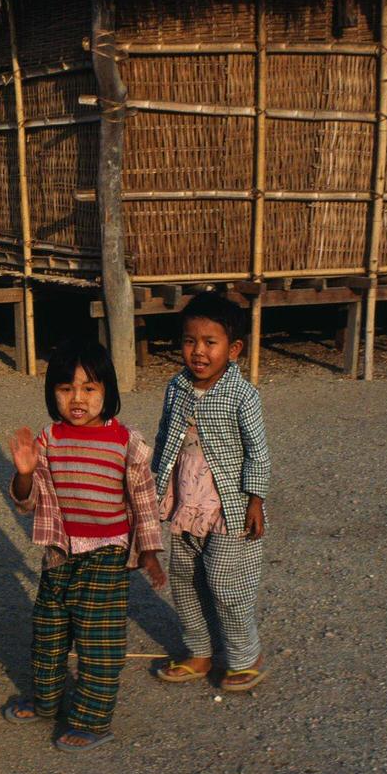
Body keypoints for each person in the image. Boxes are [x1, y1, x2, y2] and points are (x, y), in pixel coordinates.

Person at [3, 339, 166, 752]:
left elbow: (144, 502)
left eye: (89, 388)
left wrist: (148, 552)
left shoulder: (126, 443)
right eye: (65, 388)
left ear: (108, 391)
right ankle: (46, 701)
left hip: (107, 553)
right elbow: (28, 500)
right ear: (51, 393)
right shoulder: (48, 440)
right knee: (49, 631)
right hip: (59, 553)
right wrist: (24, 473)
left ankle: (92, 719)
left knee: (98, 639)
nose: (77, 398)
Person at [152, 292, 270, 691]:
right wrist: (155, 492)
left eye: (210, 342)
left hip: (229, 508)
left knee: (225, 582)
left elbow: (258, 450)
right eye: (189, 341)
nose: (197, 351)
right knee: (184, 579)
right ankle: (200, 652)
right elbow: (166, 437)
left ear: (233, 349)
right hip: (186, 505)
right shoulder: (176, 387)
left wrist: (256, 500)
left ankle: (244, 654)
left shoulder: (242, 395)